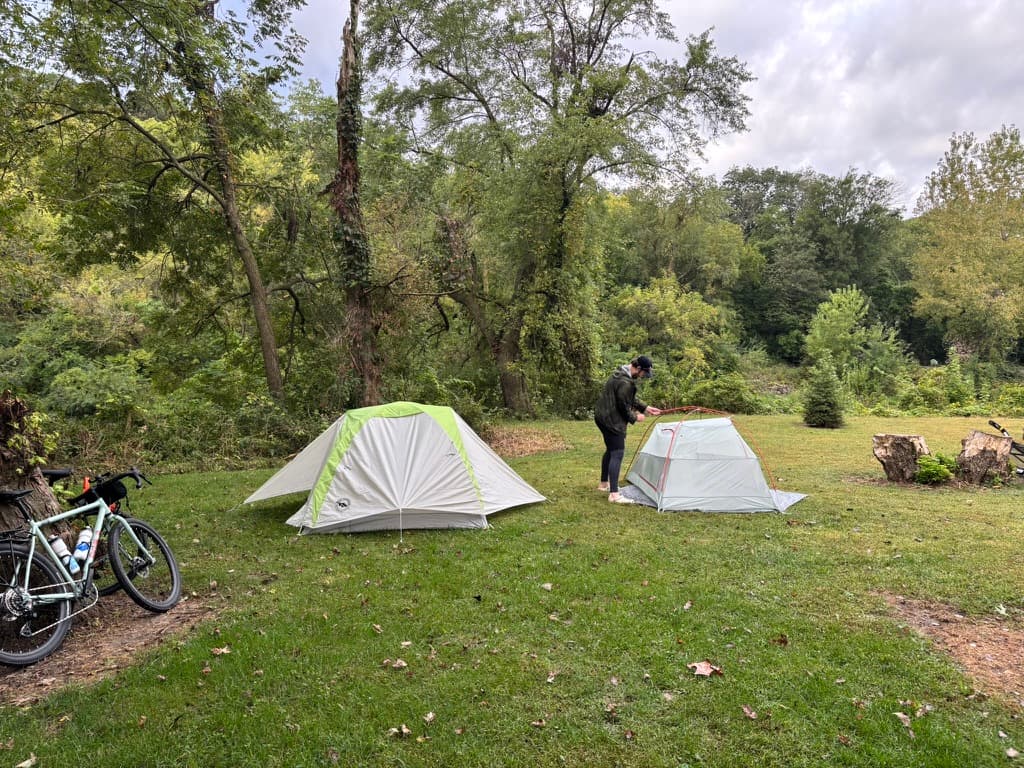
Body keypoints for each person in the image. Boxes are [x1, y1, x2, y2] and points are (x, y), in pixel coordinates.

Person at [594, 355, 662, 503]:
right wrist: (635, 417)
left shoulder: (620, 374)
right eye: (644, 373)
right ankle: (614, 495)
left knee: (611, 449)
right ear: (638, 368)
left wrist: (646, 408)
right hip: (611, 420)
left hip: (601, 416)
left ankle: (604, 483)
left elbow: (627, 398)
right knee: (617, 452)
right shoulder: (625, 382)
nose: (643, 376)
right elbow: (623, 406)